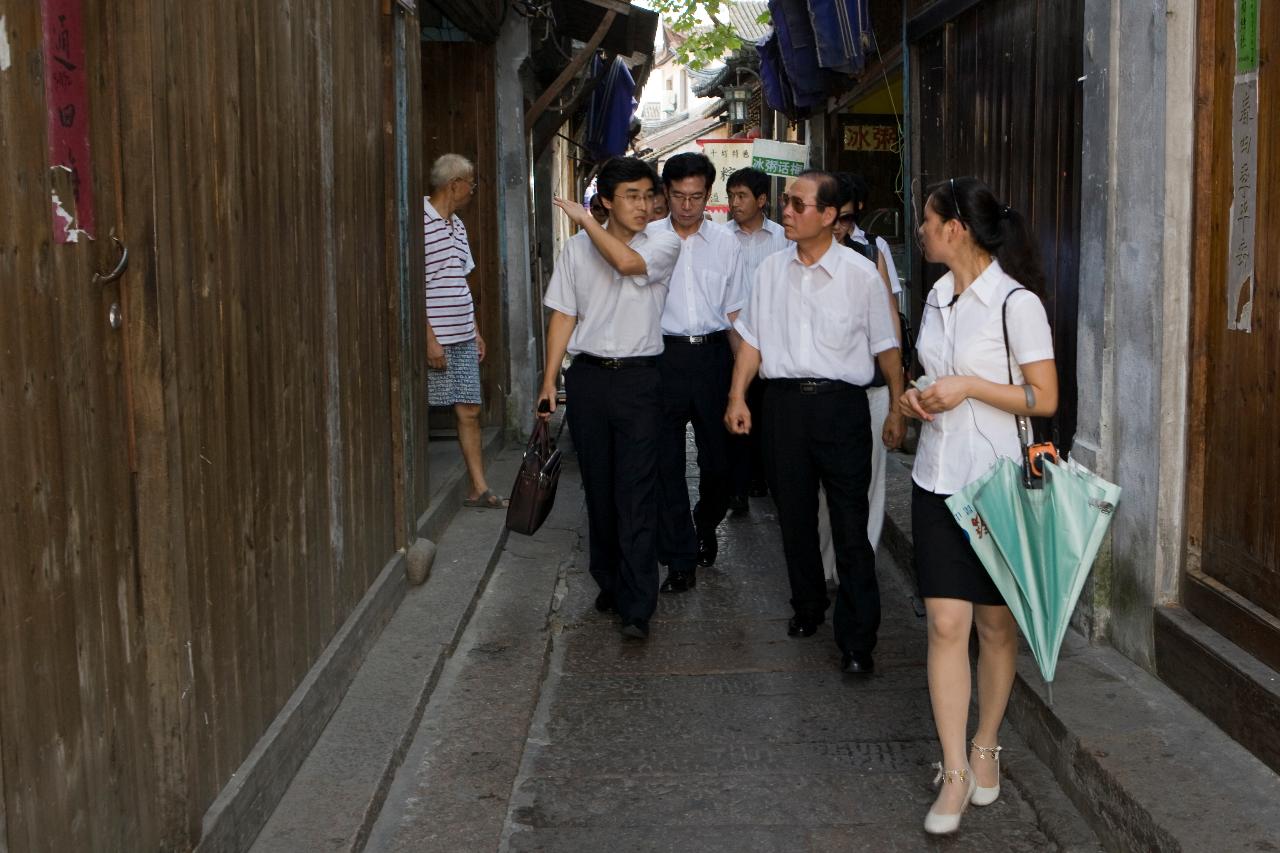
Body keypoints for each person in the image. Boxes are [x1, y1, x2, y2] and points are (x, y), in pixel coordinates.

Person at [896, 176, 1057, 835]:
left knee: (994, 628)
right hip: (937, 479)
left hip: (996, 487)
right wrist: (919, 395)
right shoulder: (936, 295)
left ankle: (987, 740)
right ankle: (955, 768)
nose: (921, 231)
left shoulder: (1016, 304)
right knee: (944, 625)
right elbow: (930, 375)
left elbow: (1043, 398)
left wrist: (969, 387)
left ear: (955, 229)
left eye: (928, 222)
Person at [725, 170, 905, 676]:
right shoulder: (770, 271)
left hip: (841, 407)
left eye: (798, 205)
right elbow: (753, 342)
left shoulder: (860, 274)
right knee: (795, 518)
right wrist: (738, 395)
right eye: (786, 202)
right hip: (782, 406)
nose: (786, 211)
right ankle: (807, 607)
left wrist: (895, 406)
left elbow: (886, 349)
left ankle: (857, 639)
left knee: (850, 523)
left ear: (829, 216)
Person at [538, 157, 681, 641]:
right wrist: (547, 383)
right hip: (589, 381)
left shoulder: (663, 241)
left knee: (636, 489)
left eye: (648, 196)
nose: (644, 206)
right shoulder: (577, 251)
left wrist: (584, 222)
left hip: (640, 381)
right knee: (599, 489)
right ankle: (610, 579)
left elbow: (625, 263)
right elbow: (563, 316)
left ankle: (638, 603)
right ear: (607, 201)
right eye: (632, 196)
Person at [648, 153, 747, 593]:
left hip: (712, 359)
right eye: (678, 196)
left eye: (696, 197)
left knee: (722, 464)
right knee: (665, 463)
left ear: (709, 195)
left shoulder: (728, 244)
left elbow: (736, 317)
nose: (687, 206)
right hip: (662, 358)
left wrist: (740, 388)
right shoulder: (645, 240)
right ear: (665, 194)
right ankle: (681, 555)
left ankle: (705, 522)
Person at [815, 174, 905, 583]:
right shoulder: (798, 257)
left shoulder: (873, 251)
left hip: (869, 385)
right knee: (821, 488)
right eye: (834, 219)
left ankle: (858, 566)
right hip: (821, 390)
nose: (840, 229)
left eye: (847, 220)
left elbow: (889, 322)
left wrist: (896, 385)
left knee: (869, 479)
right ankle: (823, 564)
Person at [424, 153, 507, 509]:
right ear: (453, 184)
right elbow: (412, 286)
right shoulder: (417, 221)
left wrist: (474, 330)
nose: (472, 190)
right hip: (434, 338)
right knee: (422, 411)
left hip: (461, 334)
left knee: (469, 409)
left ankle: (478, 487)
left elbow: (460, 280)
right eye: (470, 184)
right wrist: (429, 339)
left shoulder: (457, 225)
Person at [724, 167, 792, 512]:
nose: (734, 203)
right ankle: (735, 486)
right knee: (732, 412)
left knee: (766, 415)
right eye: (731, 196)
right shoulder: (721, 239)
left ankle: (761, 476)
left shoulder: (785, 239)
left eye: (742, 196)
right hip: (728, 341)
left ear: (761, 200)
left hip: (773, 343)